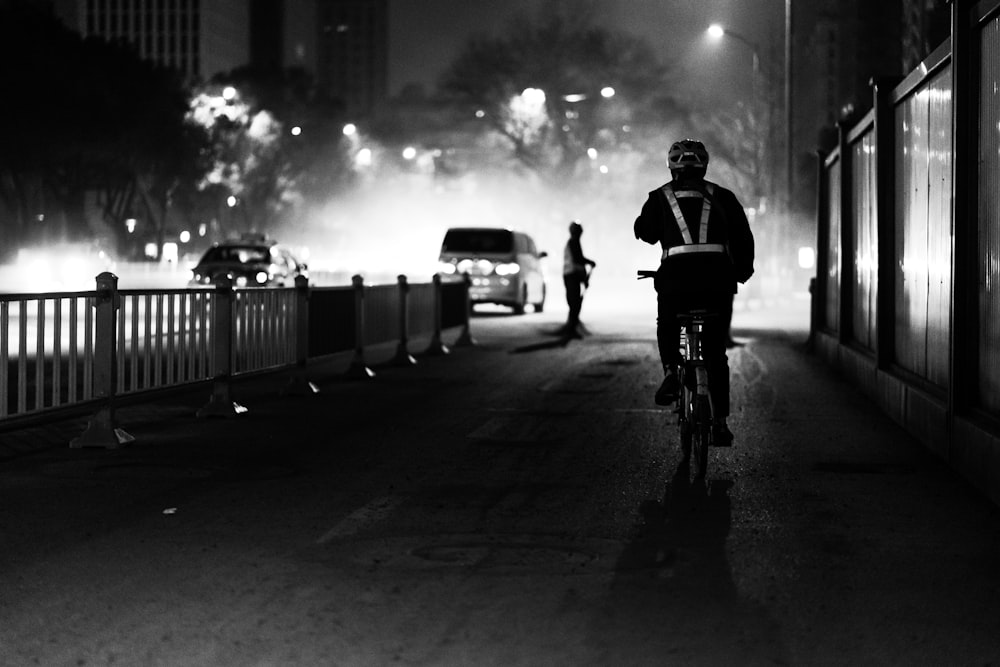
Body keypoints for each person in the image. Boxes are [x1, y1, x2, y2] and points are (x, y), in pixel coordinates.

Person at [633, 139, 754, 446]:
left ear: (672, 167)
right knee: (716, 352)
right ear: (704, 167)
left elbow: (646, 234)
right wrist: (741, 273)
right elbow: (742, 238)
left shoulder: (659, 197)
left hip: (675, 281)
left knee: (668, 324)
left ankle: (672, 371)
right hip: (718, 282)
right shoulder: (723, 197)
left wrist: (643, 224)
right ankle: (721, 424)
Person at [562, 220, 597, 337]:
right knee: (575, 303)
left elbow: (578, 261)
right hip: (572, 275)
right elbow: (578, 259)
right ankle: (571, 329)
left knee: (575, 302)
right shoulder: (573, 242)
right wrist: (590, 262)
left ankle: (572, 327)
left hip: (572, 275)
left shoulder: (573, 242)